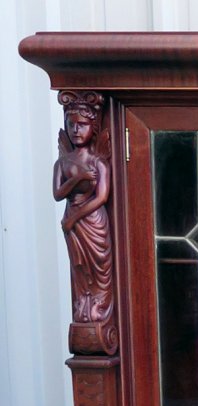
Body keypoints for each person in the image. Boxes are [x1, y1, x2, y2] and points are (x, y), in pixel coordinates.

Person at [54, 91, 113, 323]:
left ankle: (98, 305)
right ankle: (84, 305)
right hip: (73, 220)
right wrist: (79, 179)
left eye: (82, 125)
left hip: (92, 220)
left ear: (93, 128)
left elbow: (102, 197)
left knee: (99, 265)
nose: (76, 130)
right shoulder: (63, 163)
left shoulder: (98, 162)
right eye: (71, 125)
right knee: (78, 266)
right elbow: (58, 194)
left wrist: (74, 217)